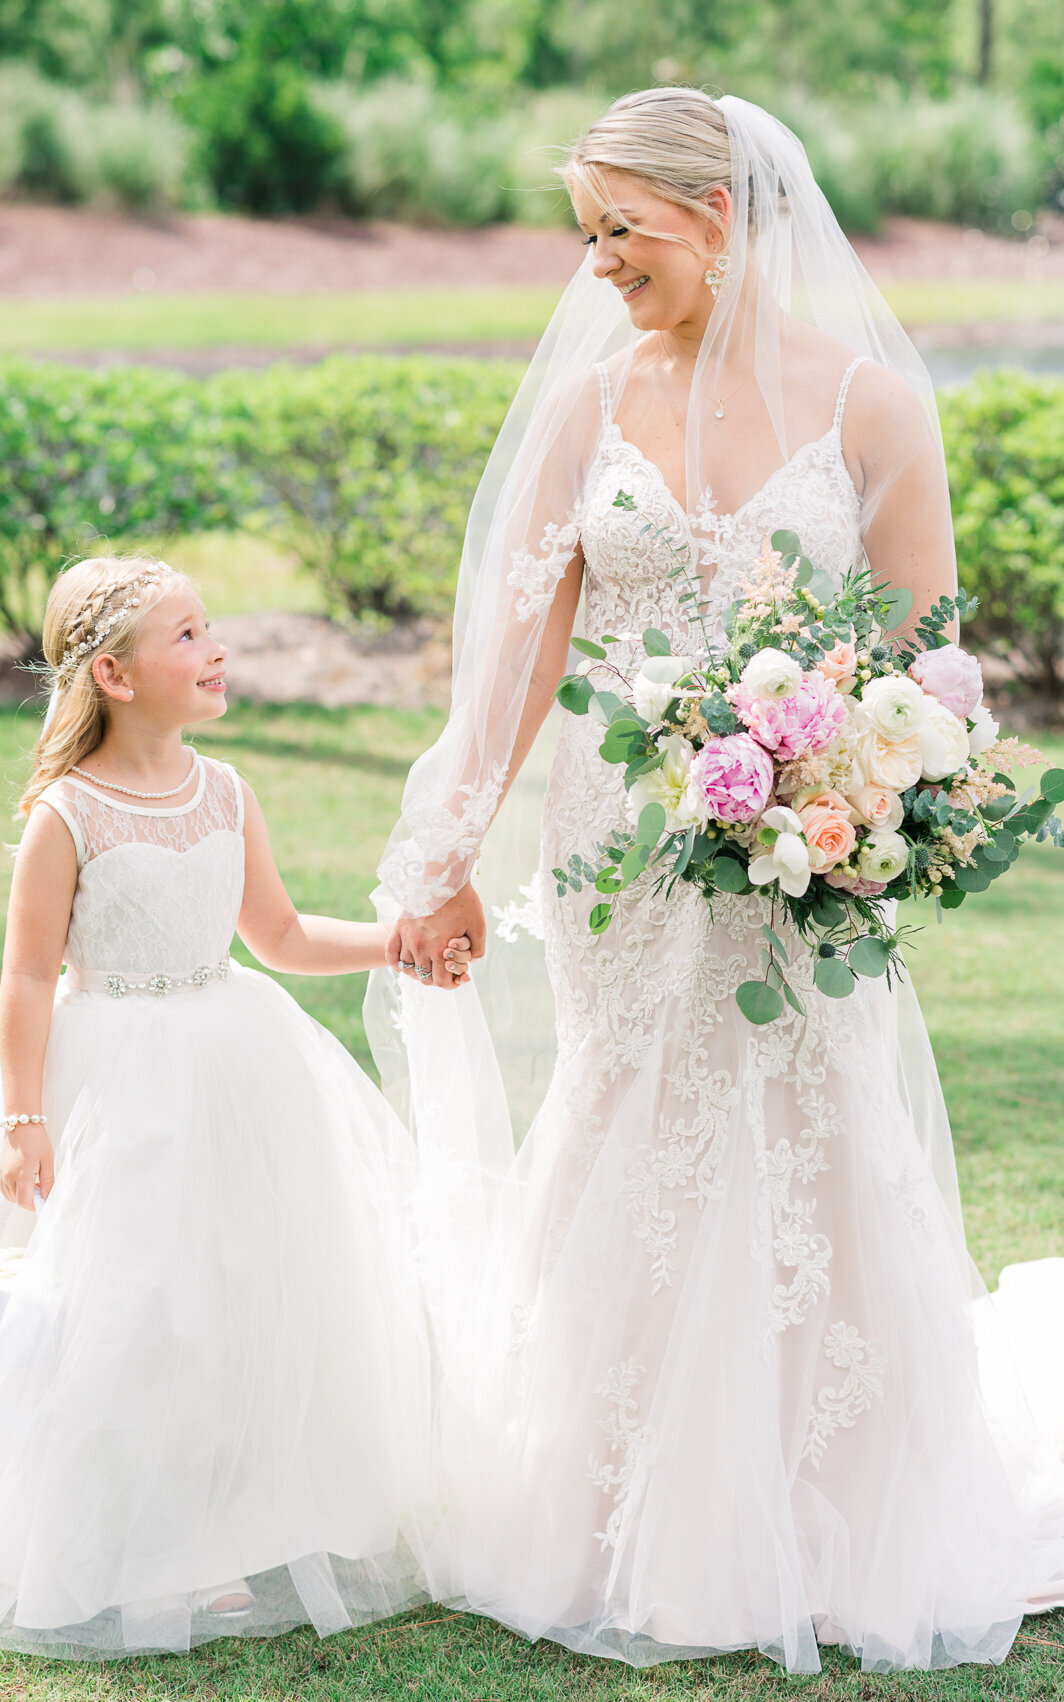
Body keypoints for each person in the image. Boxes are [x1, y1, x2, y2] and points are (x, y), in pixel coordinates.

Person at [369, 89, 1064, 1673]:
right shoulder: (587, 410)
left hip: (797, 840)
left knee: (806, 1119)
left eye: (626, 226)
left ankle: (823, 1506)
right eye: (587, 229)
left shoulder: (873, 407)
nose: (599, 260)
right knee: (633, 1113)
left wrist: (858, 784)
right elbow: (516, 657)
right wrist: (443, 848)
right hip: (617, 839)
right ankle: (608, 1494)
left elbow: (925, 656)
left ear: (723, 214)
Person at [0, 554, 468, 1657]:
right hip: (114, 1083)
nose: (216, 648)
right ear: (117, 672)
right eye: (186, 635)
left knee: (235, 1291)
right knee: (128, 1304)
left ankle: (217, 1530)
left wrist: (396, 943)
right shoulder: (68, 813)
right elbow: (28, 974)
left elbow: (277, 937)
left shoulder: (227, 791)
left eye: (210, 628)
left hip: (233, 1062)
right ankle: (103, 1534)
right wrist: (22, 1114)